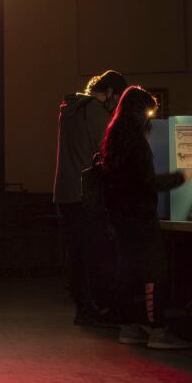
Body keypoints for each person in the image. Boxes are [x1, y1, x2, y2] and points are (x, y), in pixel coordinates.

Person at [98, 86, 192, 349]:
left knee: (127, 274)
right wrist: (181, 177)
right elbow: (145, 183)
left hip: (120, 220)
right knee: (155, 274)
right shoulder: (137, 144)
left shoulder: (114, 137)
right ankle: (158, 331)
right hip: (140, 218)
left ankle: (129, 328)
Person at [52, 70, 129, 325]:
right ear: (109, 92)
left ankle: (83, 308)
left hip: (64, 192)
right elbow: (106, 149)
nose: (115, 106)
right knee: (95, 253)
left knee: (76, 253)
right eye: (116, 99)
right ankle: (95, 309)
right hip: (86, 195)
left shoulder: (70, 109)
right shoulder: (95, 111)